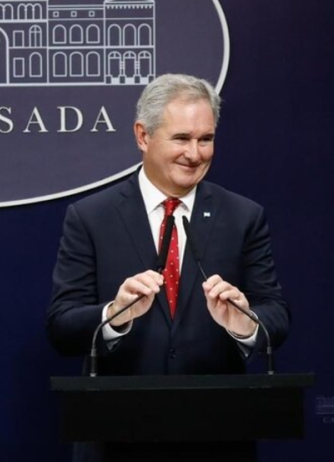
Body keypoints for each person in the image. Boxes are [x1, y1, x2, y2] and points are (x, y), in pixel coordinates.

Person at [46, 74, 289, 462]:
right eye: (181, 138)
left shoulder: (243, 216)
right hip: (116, 437)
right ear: (143, 136)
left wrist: (245, 323)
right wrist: (113, 316)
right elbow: (62, 327)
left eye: (205, 139)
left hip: (218, 436)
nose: (194, 154)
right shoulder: (91, 217)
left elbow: (276, 315)